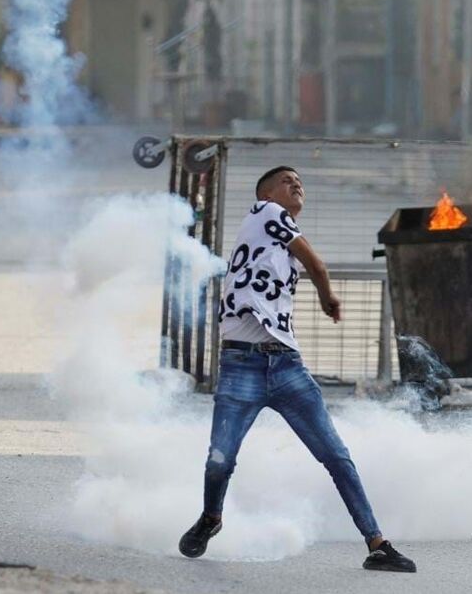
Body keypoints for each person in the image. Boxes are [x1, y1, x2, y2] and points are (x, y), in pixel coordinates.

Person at [178, 166, 416, 573]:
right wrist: (329, 297)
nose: (297, 185)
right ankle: (211, 519)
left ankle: (377, 543)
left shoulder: (273, 240)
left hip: (286, 365)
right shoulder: (268, 212)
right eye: (288, 181)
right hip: (242, 365)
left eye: (300, 181)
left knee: (336, 456)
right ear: (266, 192)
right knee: (221, 459)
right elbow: (318, 264)